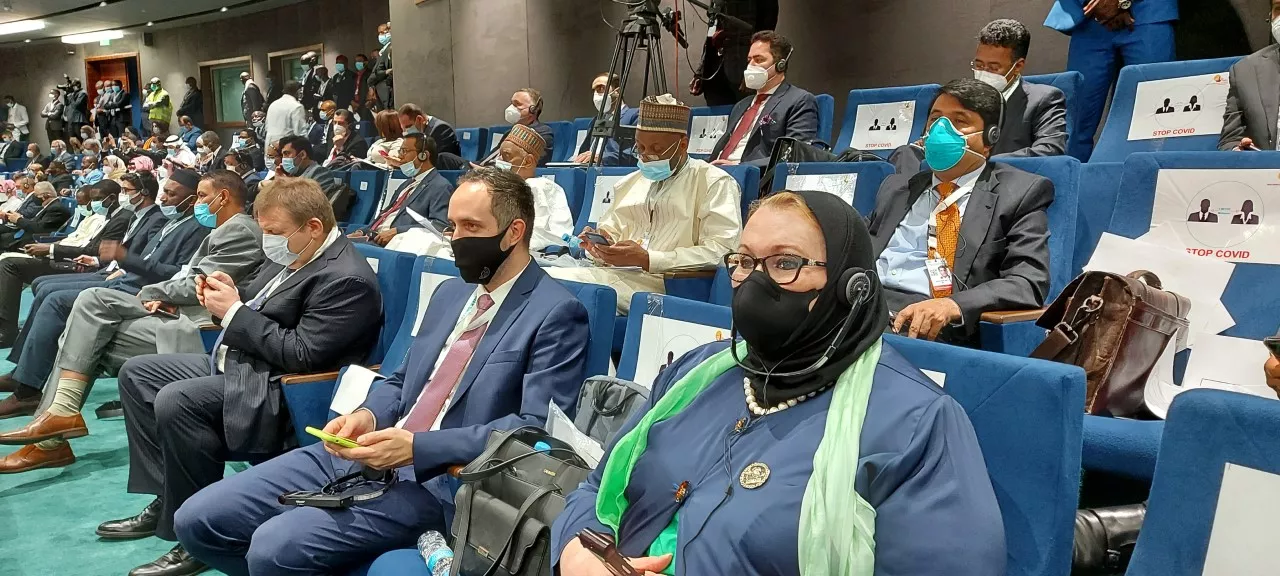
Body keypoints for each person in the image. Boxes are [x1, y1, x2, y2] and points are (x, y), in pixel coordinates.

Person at [552, 188, 1005, 575]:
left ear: (851, 286)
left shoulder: (916, 423)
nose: (754, 280)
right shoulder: (694, 372)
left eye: (784, 262)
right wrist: (578, 555)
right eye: (745, 260)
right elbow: (596, 487)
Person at [175, 167, 591, 575]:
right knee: (198, 519)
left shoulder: (555, 312)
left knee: (274, 548)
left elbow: (534, 430)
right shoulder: (450, 292)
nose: (455, 239)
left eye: (471, 227)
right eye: (451, 226)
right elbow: (403, 380)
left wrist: (419, 447)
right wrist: (368, 415)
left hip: (444, 480)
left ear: (514, 232)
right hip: (369, 450)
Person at [104, 176, 382, 576]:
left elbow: (303, 355)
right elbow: (255, 299)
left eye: (274, 232)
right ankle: (167, 497)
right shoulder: (295, 250)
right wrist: (226, 292)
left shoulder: (346, 278)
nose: (268, 240)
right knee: (138, 374)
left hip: (279, 385)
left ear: (313, 226)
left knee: (178, 401)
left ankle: (195, 537)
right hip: (241, 361)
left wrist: (233, 311)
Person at [0, 170, 262, 466]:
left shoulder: (239, 230)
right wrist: (162, 294)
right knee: (88, 313)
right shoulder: (222, 229)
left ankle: (50, 438)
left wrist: (152, 292)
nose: (197, 203)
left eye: (202, 196)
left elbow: (199, 285)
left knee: (88, 325)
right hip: (174, 308)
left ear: (223, 197)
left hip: (195, 324)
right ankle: (54, 425)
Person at [872, 79, 1053, 348]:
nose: (940, 130)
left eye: (959, 121)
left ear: (990, 138)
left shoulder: (1020, 193)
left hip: (928, 322)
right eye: (935, 119)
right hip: (865, 305)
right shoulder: (897, 188)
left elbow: (1027, 282)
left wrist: (952, 305)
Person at [551, 95, 741, 313]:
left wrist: (649, 259)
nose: (646, 156)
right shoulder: (629, 183)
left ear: (683, 145)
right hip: (614, 276)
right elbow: (611, 233)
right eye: (640, 147)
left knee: (557, 291)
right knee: (544, 281)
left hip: (667, 287)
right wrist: (600, 246)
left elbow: (724, 251)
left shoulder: (714, 182)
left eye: (656, 149)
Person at [892, 20, 1068, 176]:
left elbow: (1050, 150)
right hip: (950, 175)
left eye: (993, 67)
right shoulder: (959, 97)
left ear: (1018, 66)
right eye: (978, 65)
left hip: (1002, 181)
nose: (983, 73)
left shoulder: (1044, 99)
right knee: (906, 153)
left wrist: (978, 162)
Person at [1045, 0, 1178, 160]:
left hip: (1148, 11)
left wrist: (1120, 2)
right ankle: (1067, 175)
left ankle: (1148, 174)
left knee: (1155, 115)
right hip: (1089, 15)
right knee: (1076, 119)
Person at [0, 180, 128, 346]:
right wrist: (52, 248)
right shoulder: (104, 217)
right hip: (69, 256)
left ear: (111, 198)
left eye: (96, 199)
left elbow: (97, 250)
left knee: (10, 265)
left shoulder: (119, 218)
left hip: (80, 264)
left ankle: (7, 332)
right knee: (9, 263)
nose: (92, 204)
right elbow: (82, 242)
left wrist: (52, 249)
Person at [708, 31, 819, 169]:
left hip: (751, 175)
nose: (750, 66)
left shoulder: (799, 101)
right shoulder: (741, 105)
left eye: (759, 60)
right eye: (749, 60)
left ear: (780, 65)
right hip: (715, 171)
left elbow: (793, 155)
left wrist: (740, 166)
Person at [351, 132, 453, 246]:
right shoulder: (406, 184)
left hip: (395, 244)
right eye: (400, 151)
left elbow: (440, 226)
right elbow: (386, 215)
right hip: (373, 238)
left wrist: (398, 231)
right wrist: (362, 232)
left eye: (404, 151)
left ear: (423, 155)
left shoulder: (440, 186)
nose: (400, 156)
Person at [494, 123, 573, 251]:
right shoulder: (499, 187)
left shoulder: (541, 187)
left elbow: (546, 234)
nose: (500, 161)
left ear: (528, 161)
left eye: (507, 156)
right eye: (500, 156)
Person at [1220, 1, 1280, 151]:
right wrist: (1239, 151)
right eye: (1278, 9)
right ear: (1270, 17)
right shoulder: (1245, 71)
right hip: (1269, 165)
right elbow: (1230, 140)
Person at [574, 72, 640, 166]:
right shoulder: (599, 120)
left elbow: (634, 154)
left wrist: (601, 158)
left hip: (614, 170)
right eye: (595, 90)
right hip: (589, 168)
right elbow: (586, 151)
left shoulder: (633, 116)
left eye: (601, 88)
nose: (596, 94)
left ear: (617, 92)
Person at [277, 135, 347, 219]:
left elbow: (306, 205)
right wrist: (279, 182)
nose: (284, 159)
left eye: (287, 153)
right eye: (283, 155)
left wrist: (285, 184)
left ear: (302, 154)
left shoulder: (320, 173)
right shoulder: (291, 175)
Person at [0, 181, 71, 251]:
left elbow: (40, 229)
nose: (34, 197)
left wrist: (18, 220)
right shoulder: (49, 206)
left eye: (36, 195)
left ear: (46, 196)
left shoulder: (56, 209)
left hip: (34, 241)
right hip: (25, 235)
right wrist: (18, 218)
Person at [502, 88, 554, 165]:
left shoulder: (542, 133)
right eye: (512, 104)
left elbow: (529, 165)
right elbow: (490, 158)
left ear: (533, 110)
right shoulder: (508, 133)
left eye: (517, 104)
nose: (511, 108)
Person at [266, 81, 308, 150]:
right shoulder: (296, 106)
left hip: (270, 146)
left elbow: (267, 127)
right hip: (285, 147)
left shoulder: (273, 104)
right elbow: (300, 132)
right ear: (298, 91)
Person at [369, 22, 394, 108]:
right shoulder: (383, 51)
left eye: (383, 32)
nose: (381, 36)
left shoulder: (391, 48)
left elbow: (381, 71)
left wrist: (386, 72)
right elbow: (374, 75)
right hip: (381, 93)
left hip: (388, 92)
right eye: (379, 33)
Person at [299, 52, 323, 120]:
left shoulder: (317, 71)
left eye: (305, 62)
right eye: (302, 62)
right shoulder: (306, 72)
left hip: (313, 104)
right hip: (305, 104)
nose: (303, 65)